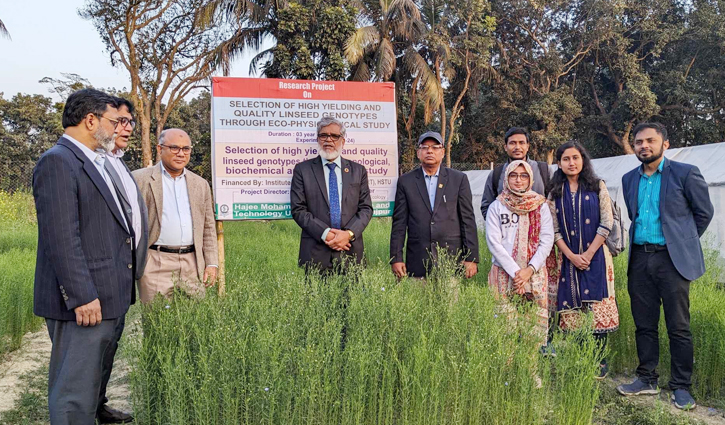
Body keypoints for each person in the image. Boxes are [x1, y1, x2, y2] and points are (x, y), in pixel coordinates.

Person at [33, 88, 135, 424]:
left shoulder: (94, 162)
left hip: (105, 295)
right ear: (90, 120)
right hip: (85, 302)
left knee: (89, 386)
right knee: (73, 394)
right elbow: (62, 238)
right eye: (113, 120)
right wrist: (81, 296)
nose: (118, 127)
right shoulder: (58, 162)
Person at [617, 123, 713, 410]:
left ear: (665, 144)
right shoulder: (628, 179)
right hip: (640, 258)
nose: (643, 146)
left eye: (650, 140)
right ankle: (646, 378)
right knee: (644, 324)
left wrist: (680, 242)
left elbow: (703, 213)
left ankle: (681, 386)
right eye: (638, 142)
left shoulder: (686, 173)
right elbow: (634, 215)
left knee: (678, 326)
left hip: (672, 261)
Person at [547, 141, 619, 379]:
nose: (571, 163)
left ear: (583, 160)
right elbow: (553, 229)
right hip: (568, 259)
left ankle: (599, 360)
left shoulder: (597, 186)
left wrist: (587, 255)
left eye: (575, 158)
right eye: (566, 159)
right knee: (574, 308)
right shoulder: (554, 192)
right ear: (559, 163)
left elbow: (606, 222)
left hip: (597, 257)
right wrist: (571, 256)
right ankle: (581, 356)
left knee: (597, 307)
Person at [132, 128, 218, 302]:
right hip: (155, 261)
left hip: (192, 263)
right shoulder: (139, 180)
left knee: (195, 321)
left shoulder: (200, 184)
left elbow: (208, 227)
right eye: (174, 148)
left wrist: (211, 263)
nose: (181, 154)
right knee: (156, 321)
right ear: (159, 148)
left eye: (186, 149)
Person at [390, 131, 479, 279]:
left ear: (443, 152)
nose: (430, 151)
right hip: (418, 260)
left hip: (450, 260)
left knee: (450, 302)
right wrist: (396, 258)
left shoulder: (458, 180)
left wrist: (471, 257)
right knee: (418, 302)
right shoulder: (406, 181)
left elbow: (467, 220)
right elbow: (399, 223)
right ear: (418, 153)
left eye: (435, 147)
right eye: (424, 147)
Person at [290, 116, 373, 273]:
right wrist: (326, 234)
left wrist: (348, 234)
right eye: (324, 135)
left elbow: (366, 209)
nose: (329, 140)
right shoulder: (303, 170)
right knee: (316, 297)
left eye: (334, 136)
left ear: (342, 141)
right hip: (316, 251)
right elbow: (298, 209)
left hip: (350, 250)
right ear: (318, 139)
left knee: (353, 297)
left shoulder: (358, 170)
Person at [485, 160, 554, 347]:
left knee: (533, 328)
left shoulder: (541, 205)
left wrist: (529, 270)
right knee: (505, 328)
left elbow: (546, 240)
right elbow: (494, 242)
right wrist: (517, 273)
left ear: (530, 179)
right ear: (507, 178)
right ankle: (507, 373)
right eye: (513, 176)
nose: (518, 180)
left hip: (534, 275)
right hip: (503, 274)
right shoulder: (497, 206)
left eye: (523, 176)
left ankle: (529, 372)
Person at [480, 127, 551, 220]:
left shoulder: (544, 170)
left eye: (521, 143)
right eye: (512, 143)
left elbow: (554, 204)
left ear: (528, 146)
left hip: (539, 231)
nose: (517, 147)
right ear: (505, 147)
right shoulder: (496, 174)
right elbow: (487, 207)